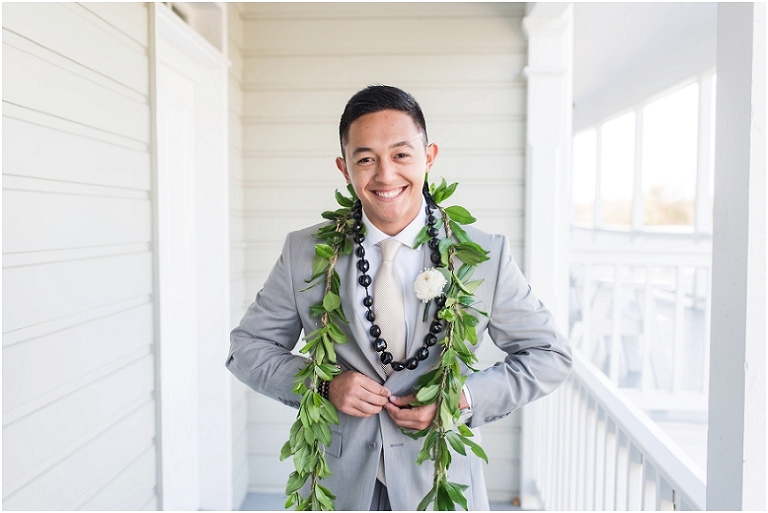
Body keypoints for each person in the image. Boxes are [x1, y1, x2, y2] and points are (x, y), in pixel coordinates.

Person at [227, 85, 572, 510]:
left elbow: (549, 355)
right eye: (366, 158)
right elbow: (246, 349)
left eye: (401, 154)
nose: (385, 175)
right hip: (338, 486)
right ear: (344, 168)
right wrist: (322, 386)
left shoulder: (484, 257)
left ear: (429, 157)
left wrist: (460, 399)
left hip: (440, 484)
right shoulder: (304, 252)